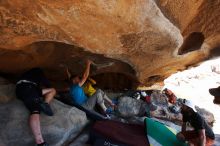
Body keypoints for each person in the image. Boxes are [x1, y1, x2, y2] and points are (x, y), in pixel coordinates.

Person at [16, 68, 56, 146]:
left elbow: (40, 88)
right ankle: (40, 142)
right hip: (28, 87)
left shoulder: (28, 75)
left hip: (26, 89)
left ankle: (45, 104)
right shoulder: (39, 71)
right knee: (35, 109)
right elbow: (45, 82)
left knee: (52, 90)